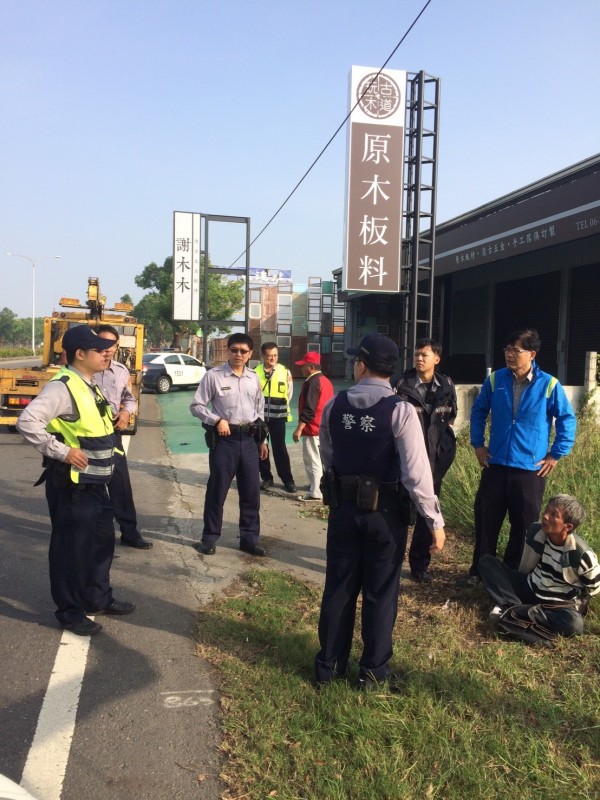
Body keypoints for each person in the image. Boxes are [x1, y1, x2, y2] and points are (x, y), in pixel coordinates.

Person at [315, 334, 446, 690]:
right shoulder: (401, 411)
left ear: (361, 364)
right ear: (391, 369)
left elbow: (329, 455)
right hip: (385, 515)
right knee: (381, 592)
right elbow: (416, 474)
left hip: (343, 510)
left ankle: (328, 667)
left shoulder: (335, 405)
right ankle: (372, 673)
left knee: (339, 587)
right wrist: (434, 521)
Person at [16, 325, 136, 636]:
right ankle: (69, 612)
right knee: (71, 549)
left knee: (100, 544)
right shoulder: (63, 386)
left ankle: (97, 597)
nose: (106, 353)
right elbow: (27, 421)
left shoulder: (89, 384)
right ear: (79, 354)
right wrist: (61, 451)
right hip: (72, 486)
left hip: (96, 485)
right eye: (99, 350)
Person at [465, 328, 576, 585]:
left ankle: (512, 576)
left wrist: (556, 454)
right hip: (495, 464)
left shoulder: (548, 384)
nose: (510, 354)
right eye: (507, 349)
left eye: (516, 350)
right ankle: (480, 572)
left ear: (532, 354)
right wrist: (478, 444)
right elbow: (479, 411)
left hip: (529, 469)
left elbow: (567, 419)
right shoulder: (495, 380)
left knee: (523, 527)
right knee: (486, 521)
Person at [479, 494, 600, 646]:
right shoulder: (535, 531)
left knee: (574, 625)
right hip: (530, 587)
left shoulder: (581, 553)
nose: (546, 516)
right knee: (487, 563)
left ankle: (513, 611)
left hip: (556, 605)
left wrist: (574, 600)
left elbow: (594, 588)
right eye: (546, 511)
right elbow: (527, 563)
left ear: (568, 526)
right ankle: (518, 610)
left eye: (554, 514)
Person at [190, 333, 269, 557]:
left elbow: (259, 410)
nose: (238, 354)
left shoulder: (254, 378)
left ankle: (249, 539)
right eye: (234, 350)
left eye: (243, 351)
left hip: (251, 441)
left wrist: (262, 441)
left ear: (250, 354)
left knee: (251, 492)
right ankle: (209, 538)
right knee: (217, 490)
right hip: (225, 441)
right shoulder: (213, 376)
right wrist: (216, 420)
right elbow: (196, 406)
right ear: (228, 350)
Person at [396, 338, 457, 583]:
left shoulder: (447, 385)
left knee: (427, 514)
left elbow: (450, 416)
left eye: (424, 355)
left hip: (435, 462)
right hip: (406, 460)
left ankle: (420, 565)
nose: (419, 358)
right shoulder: (402, 384)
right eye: (417, 354)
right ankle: (392, 560)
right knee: (400, 513)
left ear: (436, 359)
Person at [94, 324, 152, 550]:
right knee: (91, 486)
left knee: (121, 485)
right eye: (102, 344)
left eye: (111, 345)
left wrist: (127, 411)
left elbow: (130, 398)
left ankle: (129, 532)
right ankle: (92, 533)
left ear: (117, 346)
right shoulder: (84, 370)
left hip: (112, 433)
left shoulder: (120, 371)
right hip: (86, 436)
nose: (107, 349)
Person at [254, 342, 296, 493]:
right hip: (261, 418)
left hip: (278, 417)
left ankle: (288, 480)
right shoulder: (255, 372)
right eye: (269, 355)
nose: (272, 358)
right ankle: (267, 478)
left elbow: (289, 394)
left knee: (280, 449)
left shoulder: (285, 372)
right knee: (261, 448)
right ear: (263, 356)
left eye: (275, 355)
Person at [292, 352, 334, 501]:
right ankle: (318, 486)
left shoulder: (312, 382)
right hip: (323, 427)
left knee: (312, 460)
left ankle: (315, 491)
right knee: (321, 460)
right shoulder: (325, 381)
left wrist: (299, 428)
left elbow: (309, 409)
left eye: (303, 366)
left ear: (310, 367)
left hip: (312, 428)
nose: (301, 369)